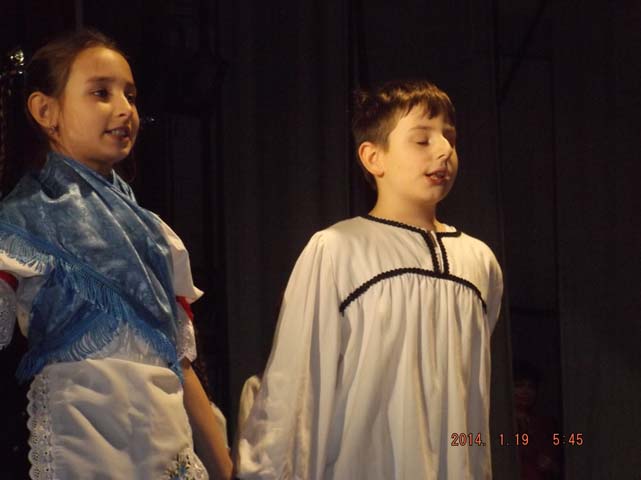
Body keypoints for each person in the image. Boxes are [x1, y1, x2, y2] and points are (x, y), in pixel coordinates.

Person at [234, 80, 504, 479]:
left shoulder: (479, 261)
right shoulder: (337, 249)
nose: (444, 150)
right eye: (422, 140)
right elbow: (297, 385)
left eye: (449, 138)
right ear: (374, 157)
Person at [0, 29, 232, 479]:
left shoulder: (156, 235)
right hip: (84, 440)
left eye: (131, 95)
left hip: (163, 441)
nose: (125, 109)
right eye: (101, 93)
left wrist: (223, 465)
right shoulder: (23, 221)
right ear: (45, 111)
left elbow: (180, 362)